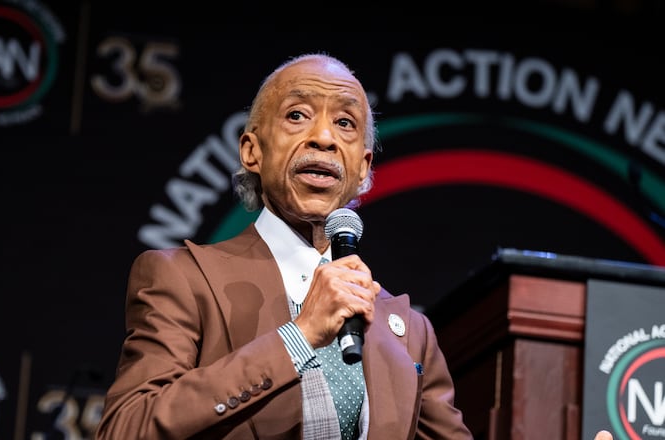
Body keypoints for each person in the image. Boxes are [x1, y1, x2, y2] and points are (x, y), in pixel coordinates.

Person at [95, 53, 613, 440]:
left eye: (344, 123)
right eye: (297, 116)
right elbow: (127, 427)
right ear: (252, 150)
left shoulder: (408, 331)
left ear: (363, 169)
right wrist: (298, 338)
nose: (323, 138)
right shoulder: (182, 278)